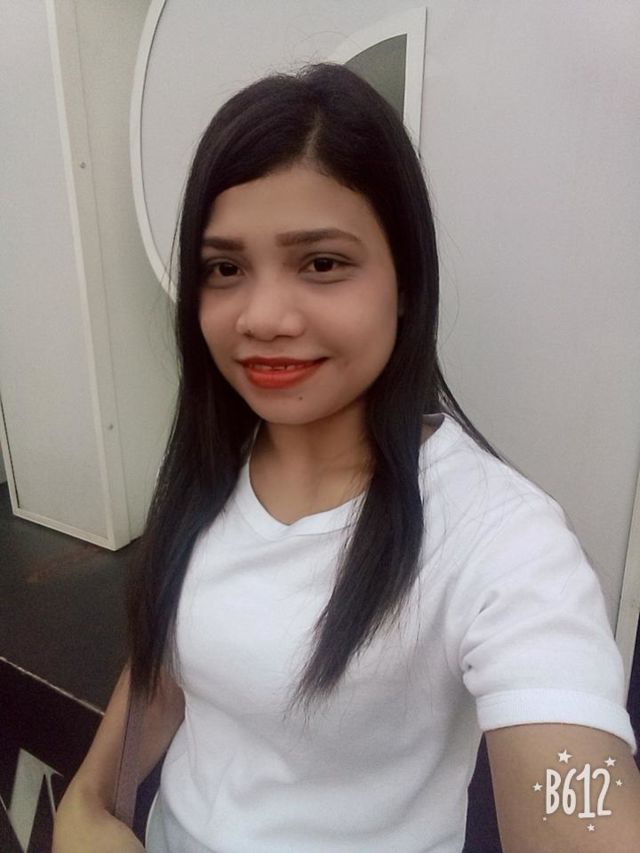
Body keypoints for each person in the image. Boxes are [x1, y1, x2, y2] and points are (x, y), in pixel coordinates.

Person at [53, 62, 640, 853]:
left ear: (406, 281)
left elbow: (577, 792)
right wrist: (90, 801)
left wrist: (584, 797)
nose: (263, 316)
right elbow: (172, 659)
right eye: (225, 268)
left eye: (322, 263)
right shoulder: (216, 462)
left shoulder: (504, 542)